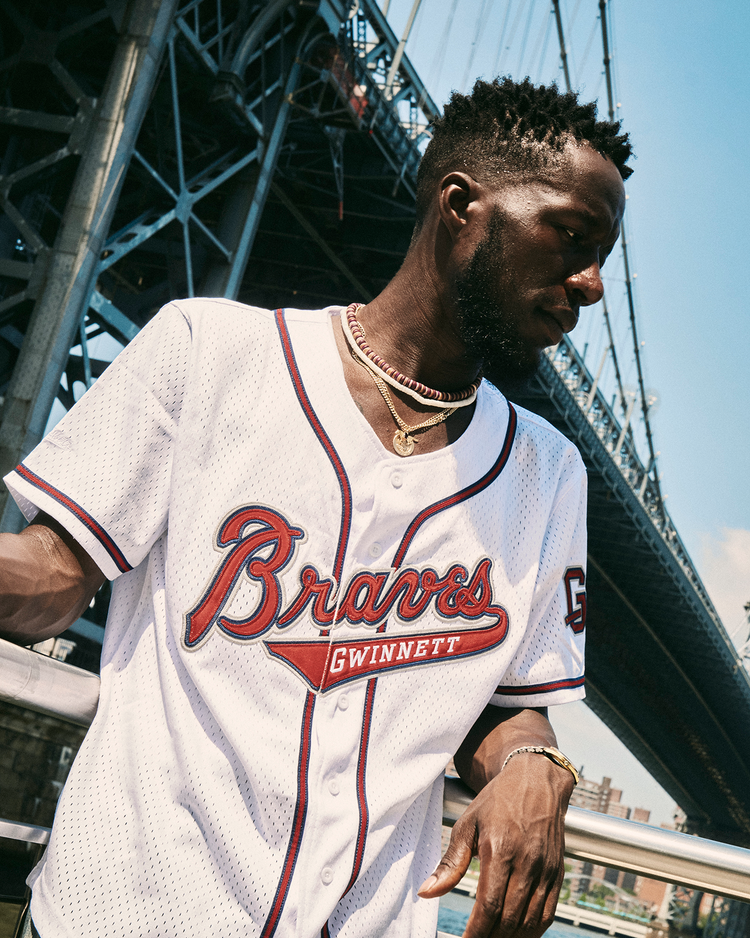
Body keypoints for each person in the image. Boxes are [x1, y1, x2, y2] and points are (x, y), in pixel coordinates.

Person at [0, 77, 630, 938]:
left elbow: (508, 698)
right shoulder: (209, 351)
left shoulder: (550, 475)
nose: (592, 284)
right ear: (460, 206)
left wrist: (533, 760)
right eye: (572, 235)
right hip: (122, 909)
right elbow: (56, 577)